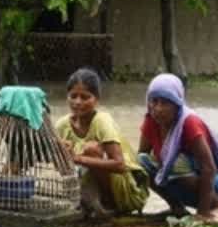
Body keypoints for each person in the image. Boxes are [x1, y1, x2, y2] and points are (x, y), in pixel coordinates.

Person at [138, 73, 218, 224]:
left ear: (177, 104)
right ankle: (177, 208)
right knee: (141, 162)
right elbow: (142, 156)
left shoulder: (189, 123)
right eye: (154, 101)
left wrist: (202, 213)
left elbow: (209, 168)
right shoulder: (151, 120)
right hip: (187, 187)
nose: (158, 108)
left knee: (176, 162)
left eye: (165, 103)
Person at [55, 68, 148, 217]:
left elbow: (119, 164)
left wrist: (78, 158)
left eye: (85, 97)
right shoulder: (62, 125)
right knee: (61, 152)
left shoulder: (102, 121)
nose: (78, 102)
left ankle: (109, 205)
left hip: (126, 192)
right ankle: (84, 203)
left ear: (96, 99)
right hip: (88, 188)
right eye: (73, 96)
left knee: (91, 149)